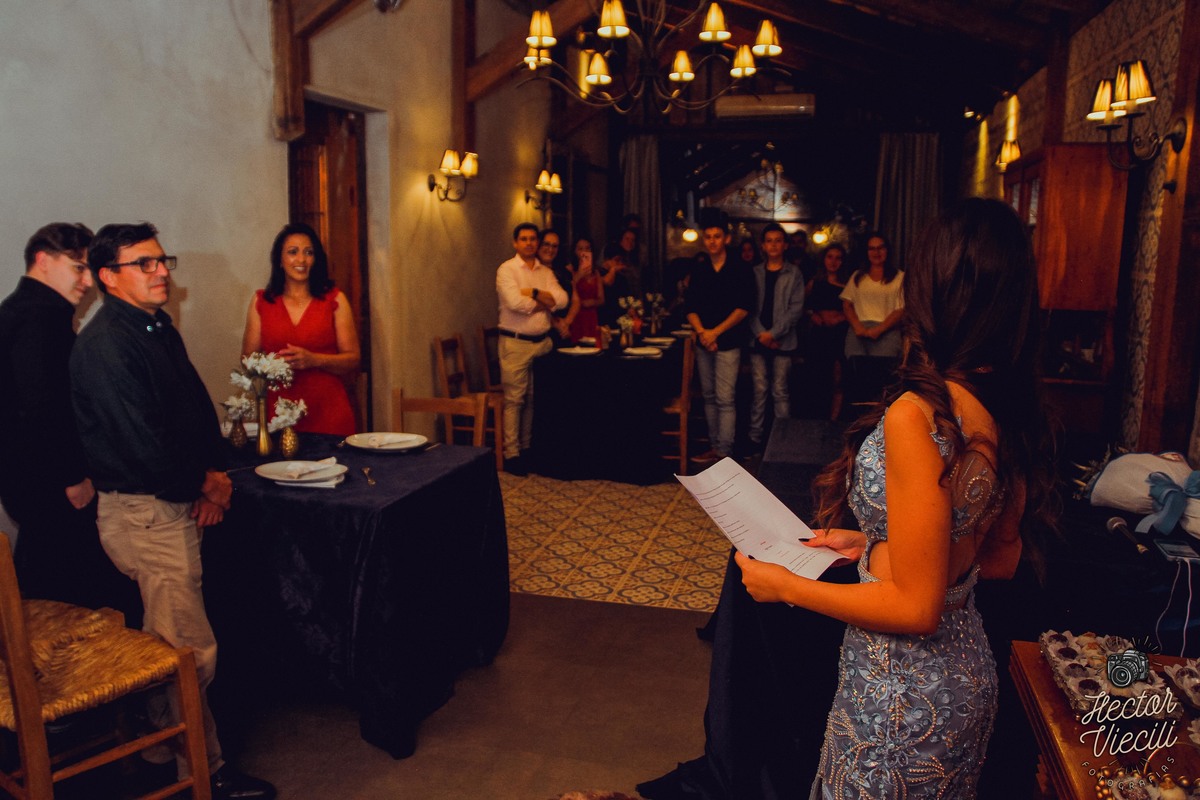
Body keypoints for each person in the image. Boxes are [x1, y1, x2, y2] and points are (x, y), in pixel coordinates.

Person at [735, 198, 1055, 798]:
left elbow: (916, 608)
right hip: (965, 675)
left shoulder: (919, 415)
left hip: (901, 693)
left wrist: (786, 587)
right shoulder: (1006, 403)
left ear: (937, 287)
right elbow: (997, 557)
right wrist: (876, 544)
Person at [70, 222, 275, 800]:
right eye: (145, 264)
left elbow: (190, 412)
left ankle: (160, 749)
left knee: (167, 644)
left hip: (169, 501)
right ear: (108, 277)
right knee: (189, 653)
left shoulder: (153, 325)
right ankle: (204, 775)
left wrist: (211, 479)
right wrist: (205, 486)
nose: (161, 272)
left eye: (163, 261)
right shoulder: (107, 344)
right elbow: (143, 447)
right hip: (145, 513)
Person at [0, 223, 132, 611]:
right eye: (79, 268)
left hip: (27, 475)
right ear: (43, 260)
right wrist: (73, 475)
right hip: (51, 478)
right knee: (68, 591)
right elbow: (42, 408)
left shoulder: (19, 310)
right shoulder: (39, 318)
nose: (89, 282)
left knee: (50, 576)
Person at [241, 222, 360, 436]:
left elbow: (353, 359)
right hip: (278, 414)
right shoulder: (262, 302)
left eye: (308, 252)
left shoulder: (335, 300)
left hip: (328, 413)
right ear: (280, 259)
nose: (301, 260)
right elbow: (247, 360)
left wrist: (315, 360)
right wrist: (274, 365)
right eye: (293, 252)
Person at [496, 222, 568, 475]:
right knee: (515, 400)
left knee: (533, 399)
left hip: (542, 345)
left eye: (533, 239)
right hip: (515, 343)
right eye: (524, 239)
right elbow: (515, 303)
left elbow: (562, 300)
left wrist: (534, 292)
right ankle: (512, 454)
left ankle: (526, 449)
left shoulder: (544, 271)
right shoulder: (507, 269)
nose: (529, 243)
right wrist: (545, 301)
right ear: (515, 243)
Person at [685, 210, 754, 463]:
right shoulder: (700, 269)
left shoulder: (740, 268)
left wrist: (714, 333)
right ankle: (714, 447)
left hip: (728, 342)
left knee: (725, 398)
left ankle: (725, 451)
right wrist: (703, 333)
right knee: (709, 397)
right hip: (705, 342)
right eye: (708, 237)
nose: (712, 241)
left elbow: (743, 308)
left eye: (717, 236)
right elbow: (690, 306)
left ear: (726, 238)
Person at [747, 223, 805, 449]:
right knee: (759, 390)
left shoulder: (794, 273)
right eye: (769, 241)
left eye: (778, 240)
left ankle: (783, 441)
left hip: (783, 341)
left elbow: (795, 309)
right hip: (757, 339)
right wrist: (762, 334)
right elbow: (748, 308)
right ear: (763, 245)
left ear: (785, 245)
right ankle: (755, 439)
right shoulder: (754, 272)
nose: (773, 245)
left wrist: (772, 334)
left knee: (780, 390)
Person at [840, 232, 904, 410]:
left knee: (883, 385)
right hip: (858, 334)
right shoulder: (858, 276)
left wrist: (879, 329)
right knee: (857, 384)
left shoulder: (900, 277)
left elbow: (901, 309)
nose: (876, 252)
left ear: (887, 250)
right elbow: (847, 304)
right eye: (872, 248)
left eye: (880, 248)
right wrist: (858, 327)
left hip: (887, 334)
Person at [805, 244, 849, 420]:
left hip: (839, 335)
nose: (833, 262)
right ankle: (816, 417)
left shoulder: (849, 285)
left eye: (838, 258)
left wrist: (842, 317)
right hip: (819, 335)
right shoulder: (814, 283)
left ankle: (833, 419)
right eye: (830, 257)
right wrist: (812, 315)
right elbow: (803, 306)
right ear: (823, 259)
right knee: (817, 376)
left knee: (838, 378)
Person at [558, 236, 605, 342]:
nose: (584, 252)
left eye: (587, 248)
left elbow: (602, 299)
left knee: (593, 345)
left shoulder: (596, 272)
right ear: (574, 251)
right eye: (580, 249)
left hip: (591, 315)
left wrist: (591, 302)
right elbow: (567, 291)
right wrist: (579, 275)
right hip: (575, 316)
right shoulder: (569, 270)